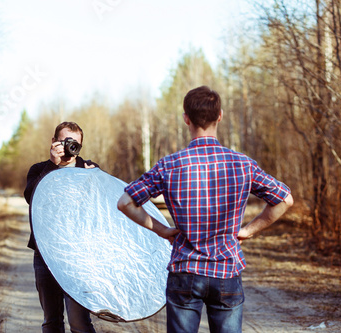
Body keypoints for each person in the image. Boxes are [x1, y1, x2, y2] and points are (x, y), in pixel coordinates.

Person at [117, 86, 294, 333]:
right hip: (226, 269)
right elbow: (284, 200)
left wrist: (162, 230)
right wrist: (248, 231)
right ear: (220, 116)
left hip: (185, 270)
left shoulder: (169, 165)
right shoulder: (242, 164)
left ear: (186, 118)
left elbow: (125, 202)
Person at [24, 121, 98, 333]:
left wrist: (92, 180)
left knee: (80, 323)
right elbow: (31, 197)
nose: (69, 148)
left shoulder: (89, 170)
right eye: (64, 142)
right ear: (53, 141)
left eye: (74, 143)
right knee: (52, 322)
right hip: (45, 254)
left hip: (78, 255)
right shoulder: (39, 169)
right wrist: (52, 164)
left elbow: (102, 209)